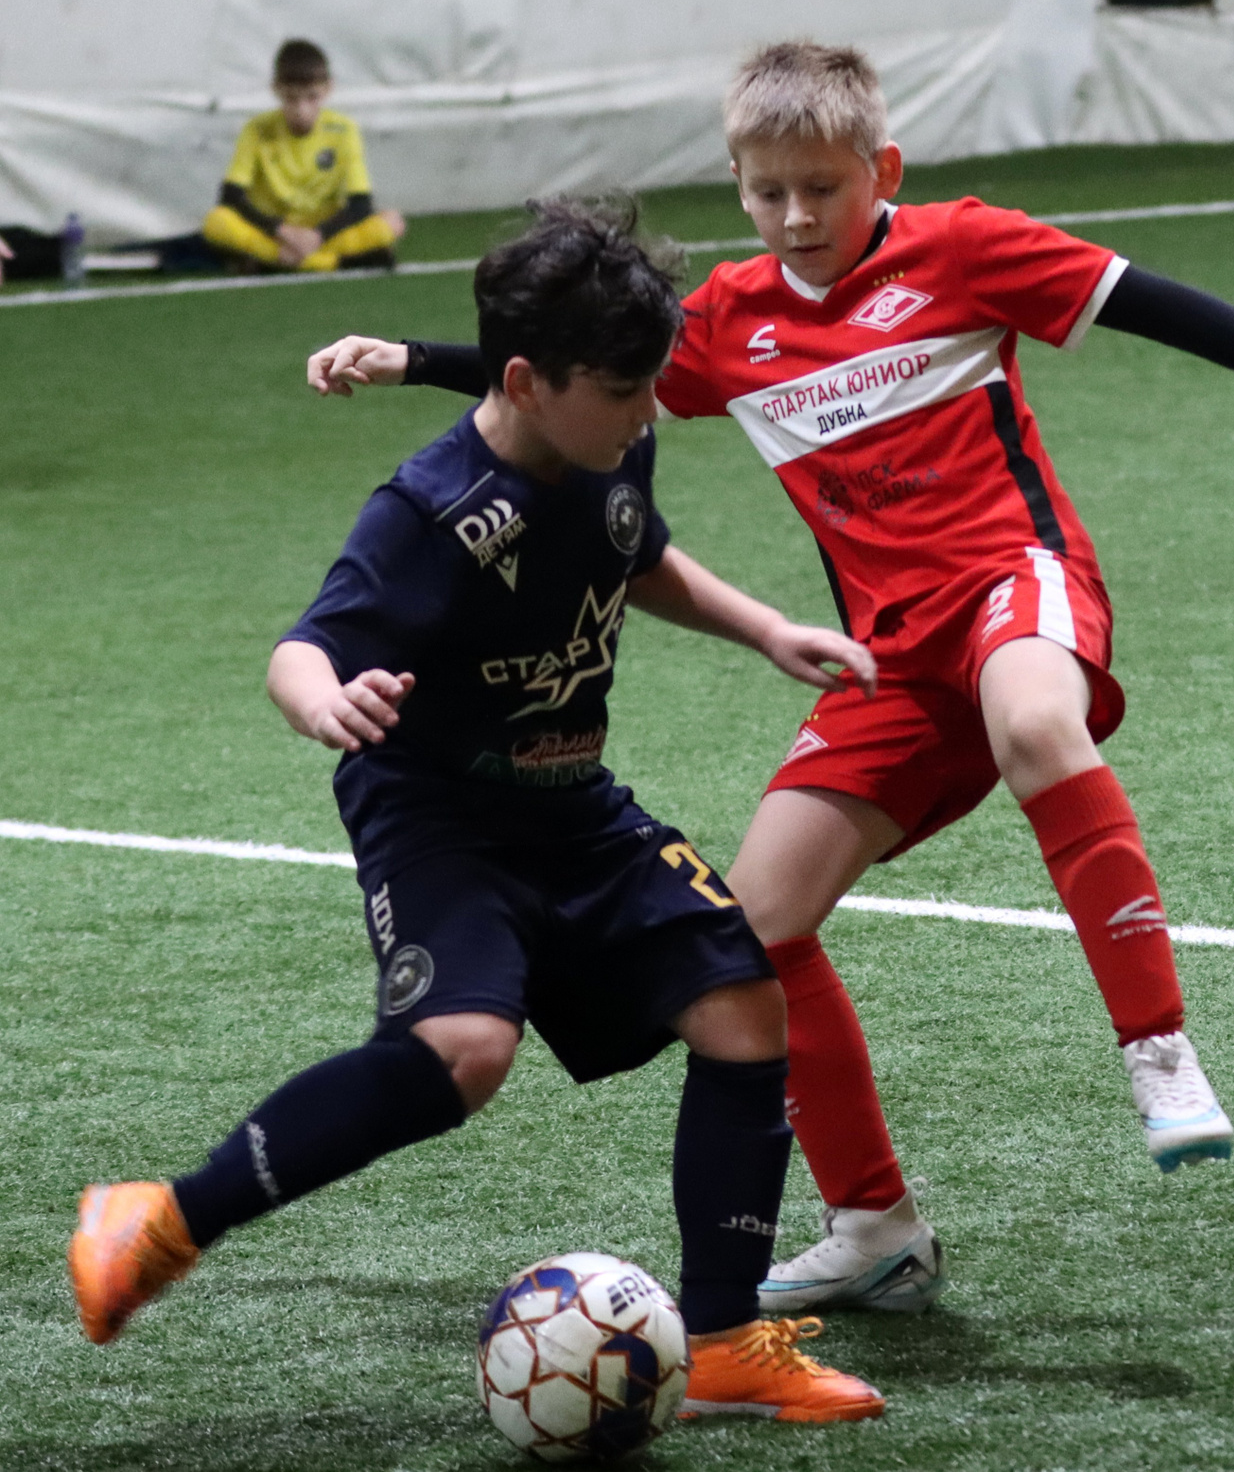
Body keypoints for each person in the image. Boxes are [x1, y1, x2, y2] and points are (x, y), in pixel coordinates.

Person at [306, 41, 1234, 1316]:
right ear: (737, 186)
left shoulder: (964, 249)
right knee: (753, 928)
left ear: (881, 170)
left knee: (1038, 725)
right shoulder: (728, 322)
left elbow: (1159, 305)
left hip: (1015, 586)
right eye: (767, 191)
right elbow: (578, 373)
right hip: (889, 656)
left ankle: (1158, 1048)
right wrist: (412, 358)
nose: (796, 215)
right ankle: (875, 1226)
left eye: (822, 188)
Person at [69, 202, 887, 1425]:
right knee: (465, 1053)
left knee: (742, 1003)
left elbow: (634, 552)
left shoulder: (608, 444)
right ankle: (162, 1219)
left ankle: (721, 1343)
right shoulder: (432, 509)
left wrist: (765, 628)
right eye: (625, 392)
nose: (649, 412)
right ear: (525, 383)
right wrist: (324, 701)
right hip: (438, 816)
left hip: (573, 807)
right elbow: (305, 645)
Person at [202, 39, 407, 273]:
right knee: (216, 221)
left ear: (328, 89)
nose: (302, 110)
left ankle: (272, 260)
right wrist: (281, 230)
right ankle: (332, 262)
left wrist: (318, 234)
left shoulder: (344, 130)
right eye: (291, 98)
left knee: (392, 222)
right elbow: (230, 197)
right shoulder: (256, 129)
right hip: (275, 233)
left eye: (312, 97)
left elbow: (361, 204)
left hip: (322, 232)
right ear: (276, 89)